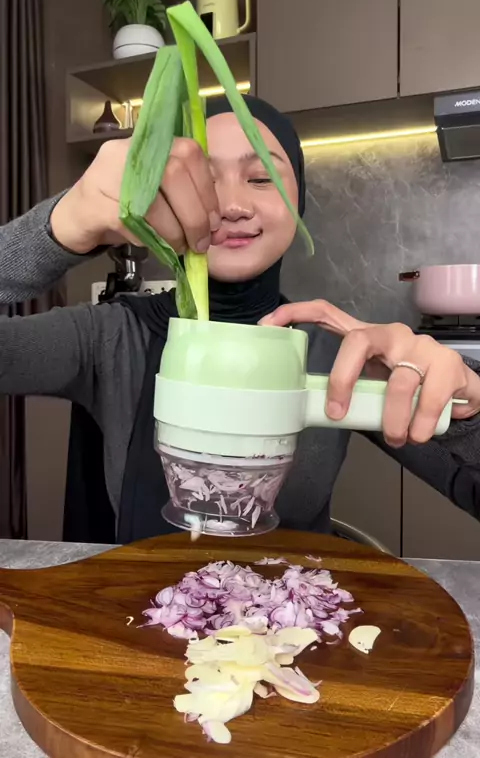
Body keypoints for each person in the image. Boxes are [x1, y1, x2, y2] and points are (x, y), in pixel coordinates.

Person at [2, 95, 480, 543]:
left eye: (262, 178)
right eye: (203, 181)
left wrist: (468, 411)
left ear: (299, 201)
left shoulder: (343, 356)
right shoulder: (107, 337)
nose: (231, 206)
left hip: (295, 605)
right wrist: (55, 231)